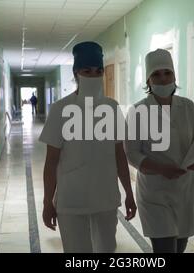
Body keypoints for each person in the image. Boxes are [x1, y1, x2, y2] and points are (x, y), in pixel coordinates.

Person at [39, 41, 137, 253]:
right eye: (87, 71)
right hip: (71, 201)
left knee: (106, 250)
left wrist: (129, 193)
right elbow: (51, 162)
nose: (93, 76)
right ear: (76, 73)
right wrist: (48, 201)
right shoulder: (61, 110)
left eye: (98, 71)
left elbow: (120, 156)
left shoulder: (111, 108)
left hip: (105, 200)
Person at [124, 49, 194, 253]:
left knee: (179, 247)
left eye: (167, 73)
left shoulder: (187, 107)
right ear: (148, 80)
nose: (162, 79)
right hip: (155, 193)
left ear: (174, 76)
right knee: (164, 249)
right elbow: (132, 153)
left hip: (185, 191)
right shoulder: (138, 111)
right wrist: (161, 169)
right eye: (156, 74)